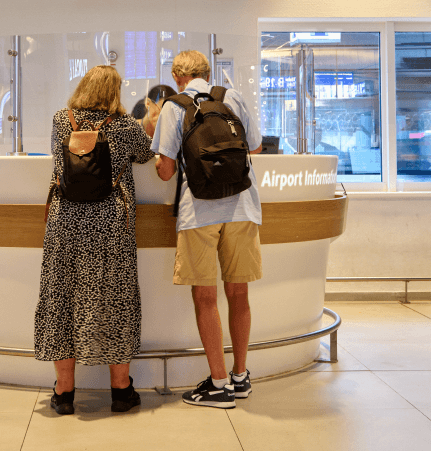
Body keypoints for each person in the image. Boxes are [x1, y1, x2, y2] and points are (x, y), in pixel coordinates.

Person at [35, 65, 155, 415]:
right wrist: (151, 118)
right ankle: (120, 391)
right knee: (114, 298)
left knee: (61, 298)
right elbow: (148, 155)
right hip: (111, 224)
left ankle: (64, 393)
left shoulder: (61, 119)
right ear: (115, 92)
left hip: (65, 222)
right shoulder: (125, 126)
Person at [151, 50, 263, 409]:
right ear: (206, 72)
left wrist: (158, 154)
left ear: (177, 75)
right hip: (243, 205)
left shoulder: (173, 106)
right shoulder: (232, 96)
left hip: (199, 211)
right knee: (239, 293)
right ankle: (240, 376)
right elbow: (256, 146)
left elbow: (166, 171)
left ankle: (217, 385)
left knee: (205, 297)